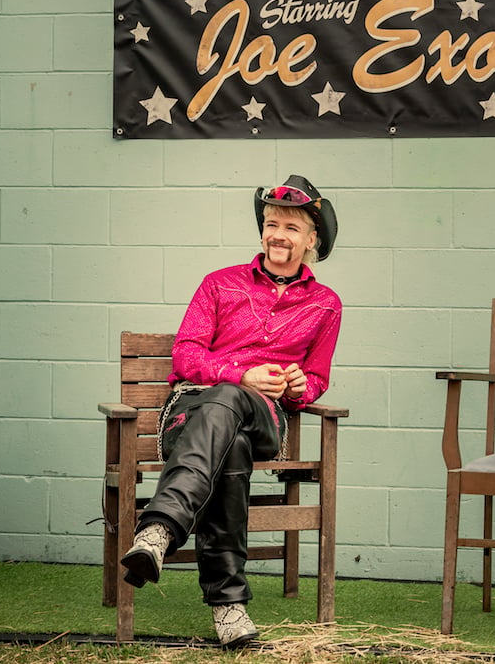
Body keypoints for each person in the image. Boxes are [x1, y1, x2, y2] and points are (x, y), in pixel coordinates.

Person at [120, 175, 342, 647]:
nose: (277, 234)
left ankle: (160, 528)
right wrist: (240, 376)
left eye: (291, 227)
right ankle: (229, 608)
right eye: (270, 223)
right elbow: (185, 357)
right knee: (231, 441)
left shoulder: (325, 305)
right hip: (191, 416)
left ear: (312, 240)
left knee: (234, 406)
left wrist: (301, 386)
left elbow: (317, 378)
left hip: (265, 417)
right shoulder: (219, 284)